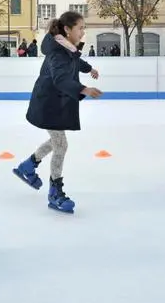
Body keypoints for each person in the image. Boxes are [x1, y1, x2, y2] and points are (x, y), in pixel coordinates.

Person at [13, 11, 102, 213]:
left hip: (54, 102)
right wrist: (83, 89)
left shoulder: (65, 47)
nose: (83, 32)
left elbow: (75, 61)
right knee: (61, 145)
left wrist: (89, 69)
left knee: (56, 142)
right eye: (80, 28)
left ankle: (28, 166)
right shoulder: (57, 51)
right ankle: (55, 193)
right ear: (68, 30)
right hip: (48, 104)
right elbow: (60, 78)